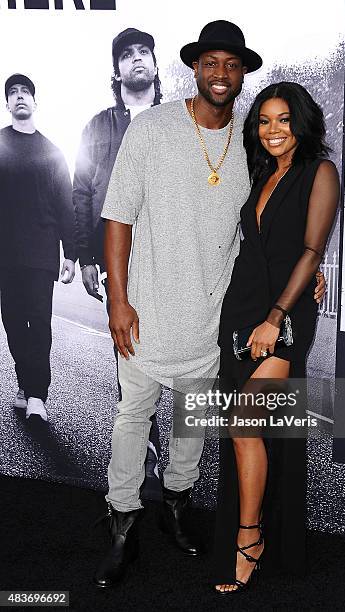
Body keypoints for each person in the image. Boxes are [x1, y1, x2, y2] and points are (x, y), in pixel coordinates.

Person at [94, 21, 325, 588]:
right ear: (194, 68)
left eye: (231, 64)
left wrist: (307, 275)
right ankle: (122, 525)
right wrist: (119, 301)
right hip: (146, 311)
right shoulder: (150, 129)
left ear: (243, 73)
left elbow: (275, 225)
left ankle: (175, 507)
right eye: (210, 63)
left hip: (213, 319)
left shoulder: (251, 145)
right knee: (132, 418)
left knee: (191, 426)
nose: (220, 74)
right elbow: (118, 215)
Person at [213, 82, 340, 594]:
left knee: (246, 424)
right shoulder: (261, 171)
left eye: (283, 120)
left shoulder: (320, 171)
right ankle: (264, 531)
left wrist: (276, 315)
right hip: (242, 305)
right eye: (264, 121)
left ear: (301, 122)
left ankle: (250, 539)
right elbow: (260, 243)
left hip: (281, 315)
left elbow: (312, 249)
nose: (272, 130)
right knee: (246, 430)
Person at [73, 27, 162, 488]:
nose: (136, 60)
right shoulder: (97, 127)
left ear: (154, 63)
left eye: (143, 52)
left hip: (169, 250)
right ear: (118, 71)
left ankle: (146, 427)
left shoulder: (178, 120)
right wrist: (84, 256)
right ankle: (144, 440)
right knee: (128, 343)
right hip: (116, 252)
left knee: (164, 345)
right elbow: (82, 189)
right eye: (126, 55)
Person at [0, 74, 76, 423]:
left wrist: (72, 254)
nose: (19, 97)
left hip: (41, 253)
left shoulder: (52, 151)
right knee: (14, 324)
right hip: (6, 254)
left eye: (25, 92)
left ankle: (36, 397)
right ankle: (25, 379)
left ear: (34, 102)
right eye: (12, 93)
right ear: (7, 104)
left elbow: (66, 204)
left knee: (39, 325)